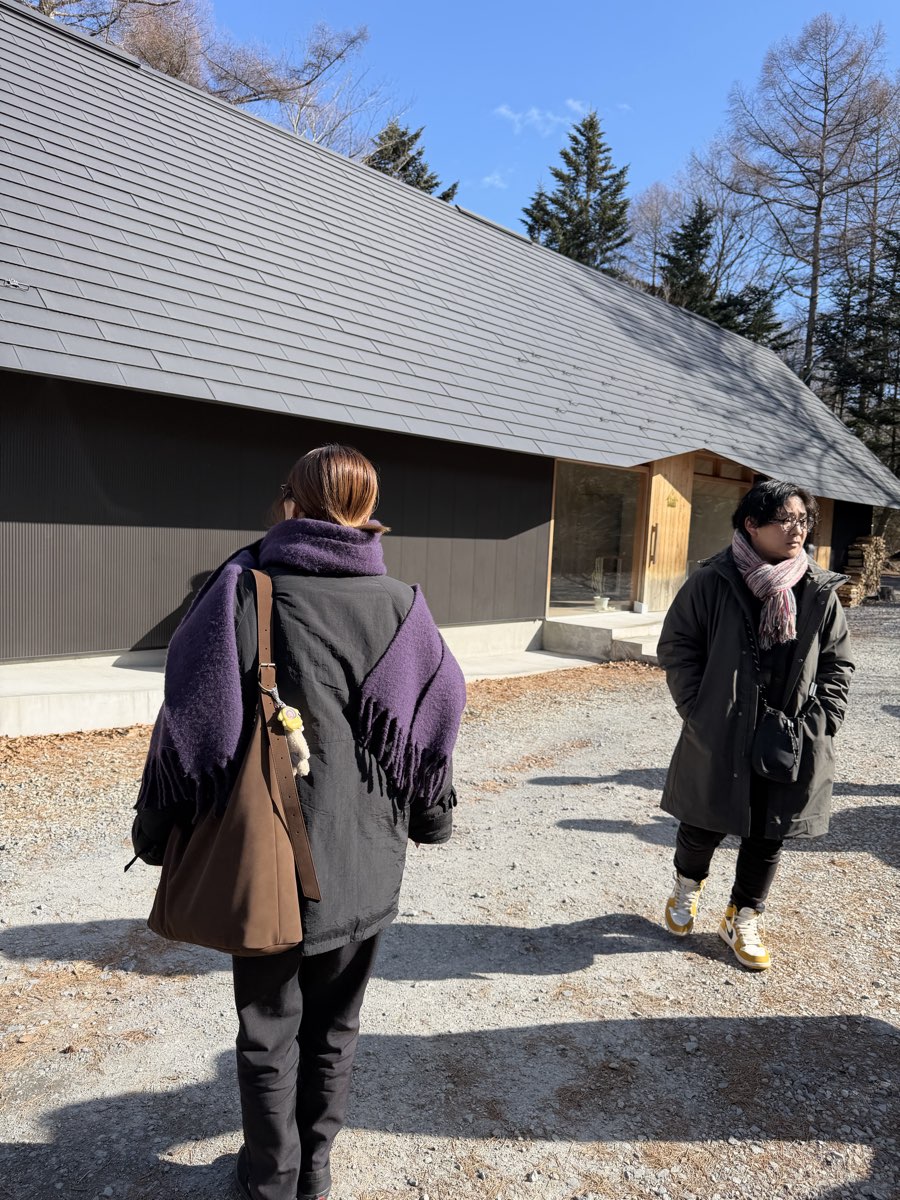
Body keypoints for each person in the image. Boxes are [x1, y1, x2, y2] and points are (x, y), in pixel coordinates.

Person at [132, 444, 466, 1200]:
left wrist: (156, 828)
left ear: (291, 501)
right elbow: (434, 721)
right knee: (335, 1028)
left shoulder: (244, 591)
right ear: (368, 509)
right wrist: (431, 818)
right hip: (366, 860)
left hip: (268, 858)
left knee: (268, 1031)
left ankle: (271, 1181)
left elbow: (190, 725)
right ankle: (313, 1172)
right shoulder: (405, 608)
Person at [657, 479, 854, 970]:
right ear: (752, 524)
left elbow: (837, 662)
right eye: (785, 519)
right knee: (702, 820)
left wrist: (823, 719)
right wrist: (698, 708)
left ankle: (742, 915)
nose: (797, 530)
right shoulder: (714, 580)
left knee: (770, 831)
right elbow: (678, 645)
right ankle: (687, 887)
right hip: (722, 725)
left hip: (790, 731)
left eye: (803, 520)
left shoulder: (817, 589)